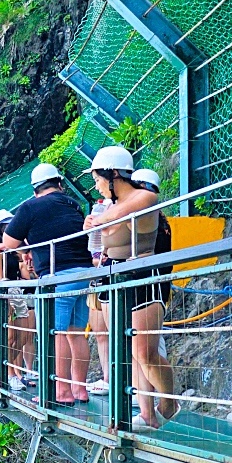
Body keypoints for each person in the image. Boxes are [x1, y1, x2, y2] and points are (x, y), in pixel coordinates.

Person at [82, 150, 178, 430]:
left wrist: (101, 218)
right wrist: (93, 223)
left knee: (144, 350)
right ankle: (147, 412)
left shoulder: (142, 197)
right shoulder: (109, 206)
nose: (96, 185)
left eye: (98, 178)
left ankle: (169, 401)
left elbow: (138, 203)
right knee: (127, 348)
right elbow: (100, 243)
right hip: (114, 277)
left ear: (113, 174)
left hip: (143, 278)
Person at [0, 163, 94, 404]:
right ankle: (79, 390)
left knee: (56, 333)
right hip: (83, 272)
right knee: (76, 332)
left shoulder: (30, 206)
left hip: (57, 275)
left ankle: (61, 391)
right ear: (59, 184)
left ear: (35, 190)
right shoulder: (73, 203)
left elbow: (9, 242)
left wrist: (26, 249)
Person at [0, 209, 32, 392]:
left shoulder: (14, 250)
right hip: (3, 292)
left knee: (22, 336)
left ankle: (5, 368)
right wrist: (7, 300)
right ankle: (8, 373)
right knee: (9, 336)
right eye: (6, 225)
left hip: (17, 292)